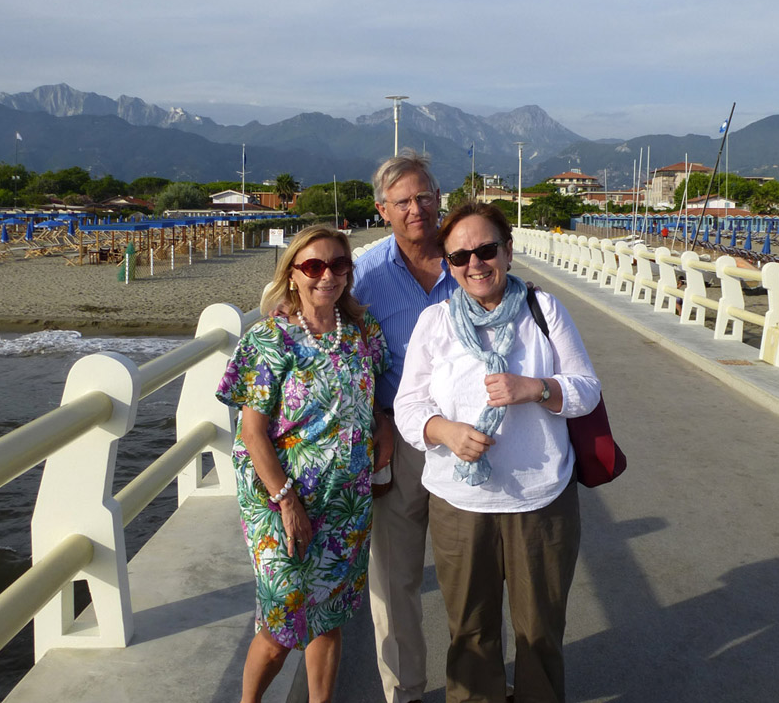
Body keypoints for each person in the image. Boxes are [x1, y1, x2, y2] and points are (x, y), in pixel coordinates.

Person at [394, 202, 601, 703]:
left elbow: (586, 389)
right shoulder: (435, 321)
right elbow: (408, 405)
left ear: (507, 251)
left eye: (486, 250)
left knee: (540, 631)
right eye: (459, 256)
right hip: (460, 503)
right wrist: (444, 431)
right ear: (448, 265)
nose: (475, 264)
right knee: (470, 631)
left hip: (541, 499)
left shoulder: (543, 309)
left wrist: (536, 388)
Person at [216, 225, 390, 703]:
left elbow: (372, 397)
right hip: (280, 500)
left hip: (345, 500)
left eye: (338, 264)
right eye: (313, 266)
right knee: (281, 620)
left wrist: (384, 425)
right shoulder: (269, 339)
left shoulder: (362, 330)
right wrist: (287, 502)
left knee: (329, 616)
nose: (326, 275)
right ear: (292, 273)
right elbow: (252, 432)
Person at [353, 150, 457, 703]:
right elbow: (342, 354)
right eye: (402, 202)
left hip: (466, 439)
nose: (415, 209)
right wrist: (376, 420)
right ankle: (405, 691)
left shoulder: (469, 259)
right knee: (394, 580)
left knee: (470, 575)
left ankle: (476, 685)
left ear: (438, 199)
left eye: (423, 197)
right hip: (397, 439)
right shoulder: (365, 277)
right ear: (382, 210)